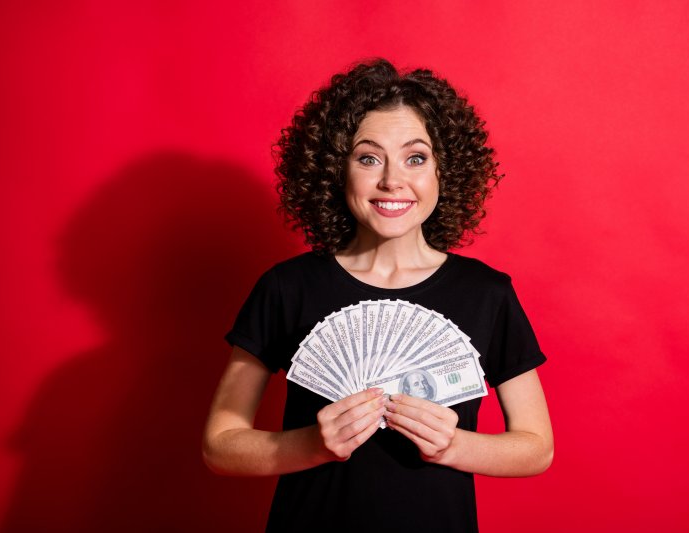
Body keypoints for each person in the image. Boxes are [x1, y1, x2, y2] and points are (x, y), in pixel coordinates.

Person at [203, 58, 553, 533]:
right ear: (335, 169)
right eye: (368, 158)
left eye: (416, 158)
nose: (392, 180)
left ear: (443, 171)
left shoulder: (487, 293)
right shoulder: (287, 287)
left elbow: (537, 447)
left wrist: (454, 445)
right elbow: (219, 445)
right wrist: (311, 444)